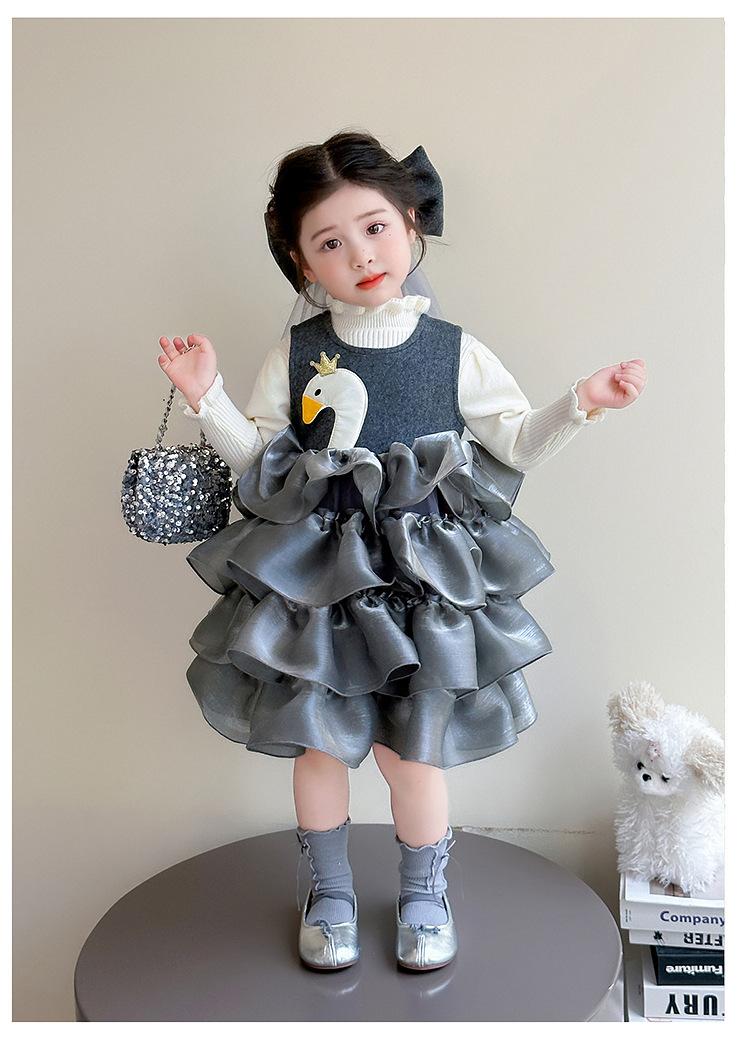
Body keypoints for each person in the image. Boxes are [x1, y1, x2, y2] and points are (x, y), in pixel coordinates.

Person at [156, 130, 647, 973]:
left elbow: (514, 442)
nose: (360, 254)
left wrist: (580, 401)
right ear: (301, 261)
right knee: (318, 745)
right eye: (330, 242)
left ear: (411, 222)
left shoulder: (453, 349)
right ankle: (330, 893)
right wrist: (209, 399)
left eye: (375, 227)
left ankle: (424, 894)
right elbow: (260, 463)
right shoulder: (297, 353)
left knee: (413, 752)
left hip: (421, 591)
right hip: (318, 589)